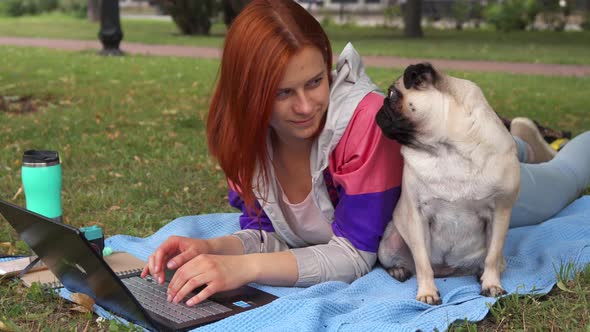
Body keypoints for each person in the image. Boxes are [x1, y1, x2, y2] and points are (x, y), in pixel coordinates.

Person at [142, 0, 590, 307]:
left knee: (567, 176)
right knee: (506, 141)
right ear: (250, 95)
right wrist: (212, 248)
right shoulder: (247, 143)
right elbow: (267, 231)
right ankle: (519, 138)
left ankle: (524, 145)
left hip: (464, 181)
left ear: (328, 64)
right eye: (282, 93)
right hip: (422, 163)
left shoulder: (362, 123)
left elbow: (355, 254)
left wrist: (242, 270)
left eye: (315, 82)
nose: (304, 107)